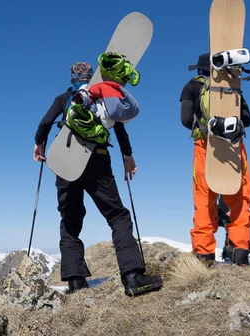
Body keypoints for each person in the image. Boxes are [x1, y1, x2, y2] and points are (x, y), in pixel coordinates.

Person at [33, 61, 163, 295]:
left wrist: (39, 145)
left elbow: (44, 123)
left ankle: (75, 281)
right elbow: (120, 127)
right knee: (117, 215)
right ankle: (132, 277)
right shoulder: (101, 97)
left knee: (70, 220)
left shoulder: (64, 99)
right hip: (98, 159)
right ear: (91, 76)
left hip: (65, 160)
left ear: (72, 77)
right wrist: (128, 155)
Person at [179, 53, 250, 266]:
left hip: (205, 147)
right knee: (239, 199)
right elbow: (247, 120)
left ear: (200, 69)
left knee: (204, 200)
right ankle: (239, 252)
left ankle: (204, 255)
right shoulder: (232, 85)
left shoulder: (192, 86)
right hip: (234, 148)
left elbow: (185, 119)